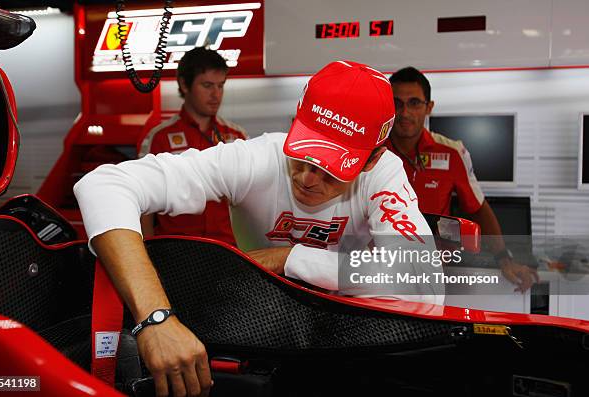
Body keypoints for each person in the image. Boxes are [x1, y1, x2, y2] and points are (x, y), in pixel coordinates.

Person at [75, 60, 442, 397]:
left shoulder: (384, 173)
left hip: (346, 346)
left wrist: (291, 257)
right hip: (255, 330)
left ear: (372, 157)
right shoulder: (256, 157)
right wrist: (155, 319)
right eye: (303, 154)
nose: (307, 178)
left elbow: (424, 283)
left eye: (332, 168)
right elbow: (103, 185)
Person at [385, 66, 538, 293]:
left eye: (414, 103)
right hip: (380, 269)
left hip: (433, 270)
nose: (405, 112)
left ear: (429, 108)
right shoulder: (371, 150)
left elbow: (478, 209)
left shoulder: (452, 152)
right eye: (397, 103)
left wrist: (504, 258)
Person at [138, 47, 247, 246]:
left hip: (228, 250)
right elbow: (144, 205)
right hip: (176, 251)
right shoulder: (159, 137)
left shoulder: (236, 136)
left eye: (221, 86)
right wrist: (148, 252)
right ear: (184, 84)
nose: (216, 94)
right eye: (207, 85)